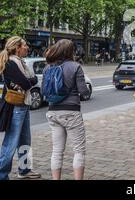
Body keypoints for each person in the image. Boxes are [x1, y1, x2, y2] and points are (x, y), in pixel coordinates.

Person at [0, 36, 41, 180]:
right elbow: (27, 83)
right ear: (17, 48)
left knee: (25, 140)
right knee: (11, 142)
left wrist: (30, 80)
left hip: (23, 105)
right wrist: (31, 80)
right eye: (25, 45)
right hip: (15, 107)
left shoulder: (21, 63)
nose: (27, 47)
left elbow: (29, 81)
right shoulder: (11, 64)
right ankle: (2, 176)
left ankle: (24, 170)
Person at [43, 39, 89, 180]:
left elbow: (43, 91)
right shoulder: (75, 66)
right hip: (71, 112)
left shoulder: (47, 67)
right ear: (70, 51)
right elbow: (84, 92)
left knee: (57, 151)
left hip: (52, 112)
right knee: (79, 150)